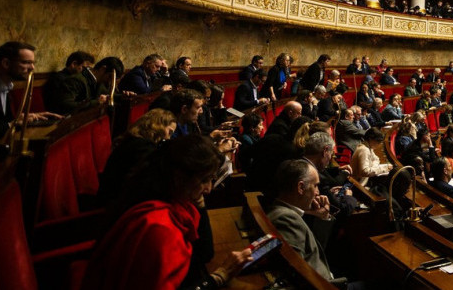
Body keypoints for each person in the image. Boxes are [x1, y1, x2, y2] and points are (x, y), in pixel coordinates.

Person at [82, 135, 251, 289]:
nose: (208, 189)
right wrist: (219, 276)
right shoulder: (160, 228)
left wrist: (198, 199)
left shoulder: (152, 192)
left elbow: (203, 253)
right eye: (204, 180)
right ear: (179, 178)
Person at [266, 159, 336, 281]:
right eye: (315, 186)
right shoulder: (286, 219)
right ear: (301, 188)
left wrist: (322, 216)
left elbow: (314, 250)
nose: (317, 192)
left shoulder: (284, 211)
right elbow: (297, 275)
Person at [98, 108, 176, 204]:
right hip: (115, 205)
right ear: (159, 126)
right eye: (170, 132)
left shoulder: (133, 140)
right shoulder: (143, 147)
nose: (168, 138)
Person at [42, 50, 105, 115]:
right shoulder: (59, 80)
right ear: (74, 64)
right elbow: (64, 106)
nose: (88, 72)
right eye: (86, 68)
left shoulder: (82, 80)